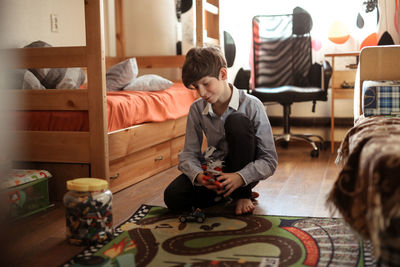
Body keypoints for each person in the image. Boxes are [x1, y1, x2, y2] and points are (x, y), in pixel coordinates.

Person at [164, 45, 277, 215]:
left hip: (244, 172)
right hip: (215, 168)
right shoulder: (196, 109)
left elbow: (269, 160)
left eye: (206, 83)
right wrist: (199, 177)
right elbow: (189, 153)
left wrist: (240, 177)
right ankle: (225, 194)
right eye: (196, 87)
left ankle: (242, 195)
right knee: (173, 196)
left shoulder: (252, 105)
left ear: (222, 74)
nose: (201, 92)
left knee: (237, 121)